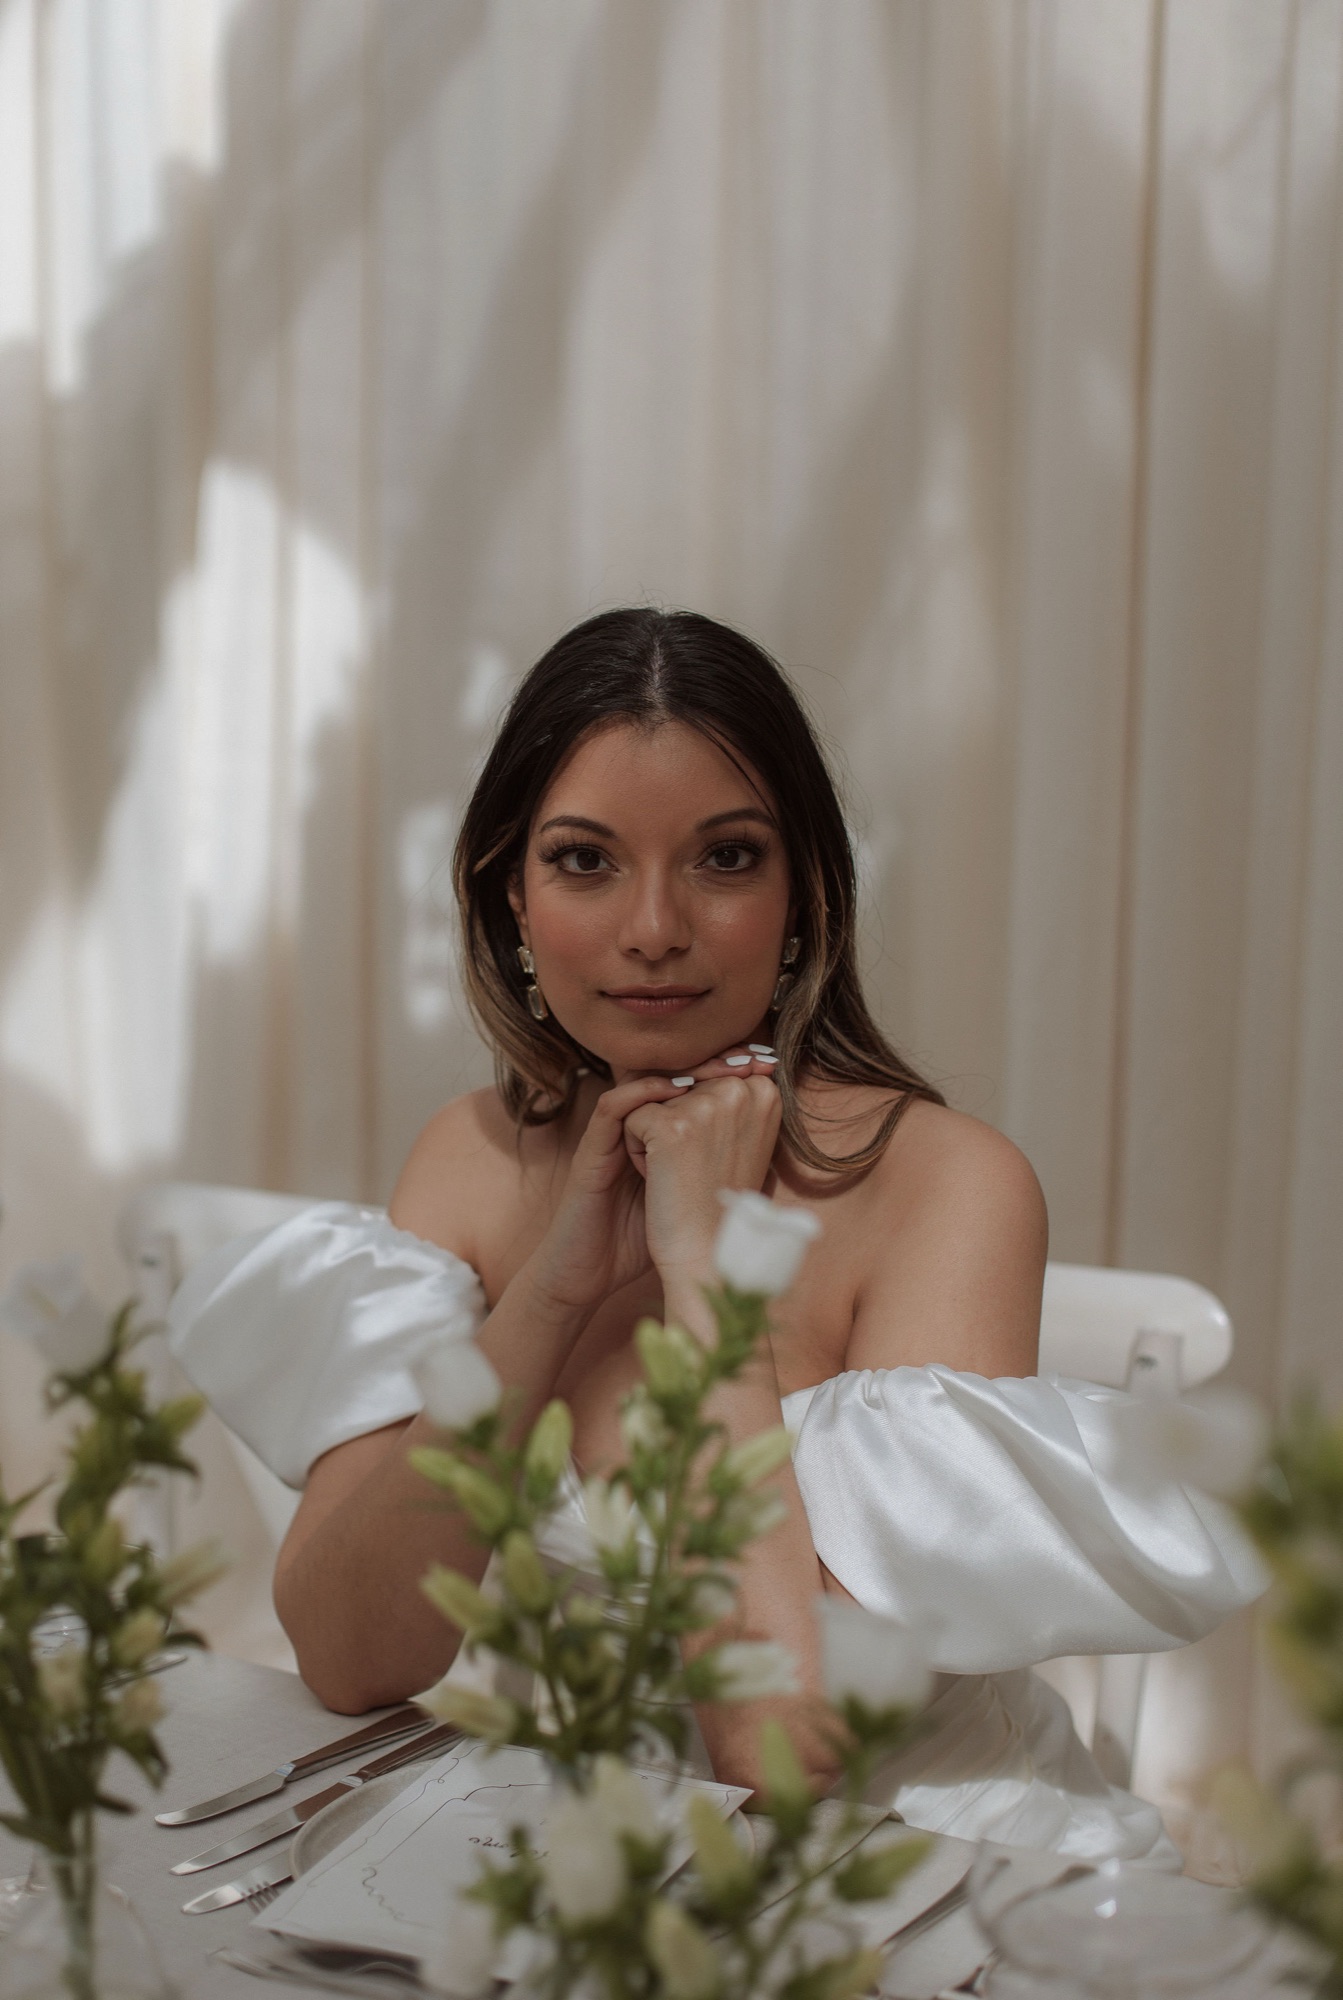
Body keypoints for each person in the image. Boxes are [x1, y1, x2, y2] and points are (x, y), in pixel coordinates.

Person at [169, 607, 1263, 1863]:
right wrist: (552, 1292)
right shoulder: (470, 1158)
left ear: (801, 892)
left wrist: (711, 1278)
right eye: (584, 860)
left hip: (902, 1863)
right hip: (564, 1854)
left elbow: (779, 1752)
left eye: (724, 857)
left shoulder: (946, 1185)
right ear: (506, 894)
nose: (652, 927)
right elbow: (352, 1655)